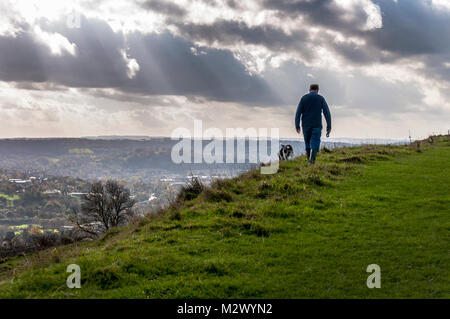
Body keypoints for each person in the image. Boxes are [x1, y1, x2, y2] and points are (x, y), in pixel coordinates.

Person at [295, 84, 332, 164]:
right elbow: (327, 113)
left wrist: (297, 125)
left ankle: (310, 161)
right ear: (317, 90)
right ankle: (312, 162)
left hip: (306, 125)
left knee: (307, 143)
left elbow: (298, 113)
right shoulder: (321, 98)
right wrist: (329, 127)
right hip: (317, 125)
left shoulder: (304, 98)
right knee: (315, 142)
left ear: (309, 89)